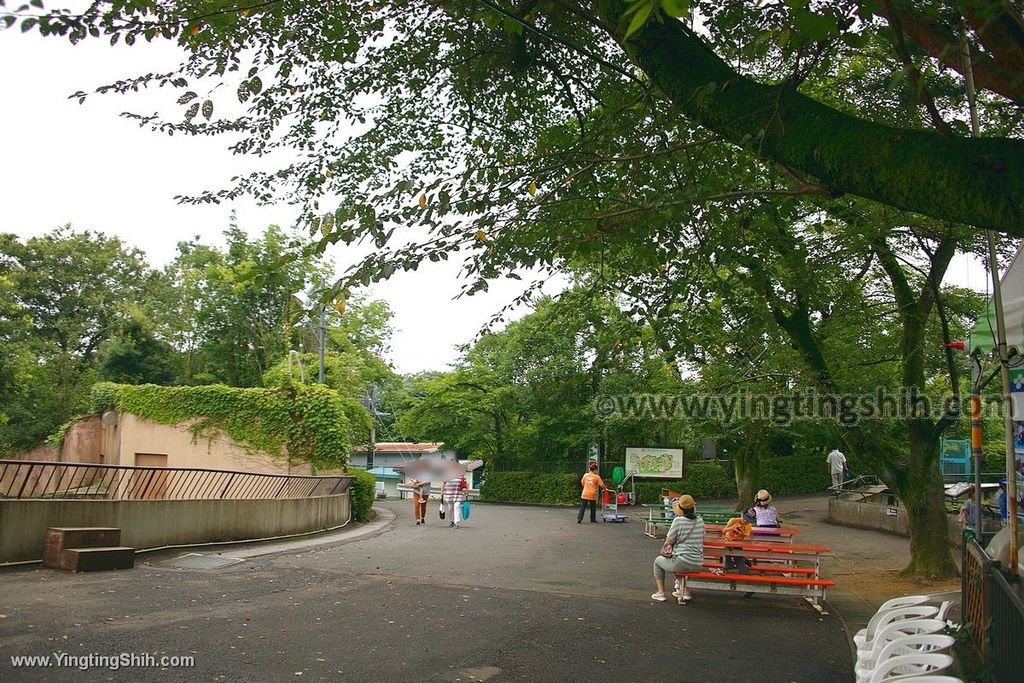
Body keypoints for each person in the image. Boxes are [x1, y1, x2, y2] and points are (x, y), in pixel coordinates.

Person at [651, 495, 705, 602]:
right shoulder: (700, 521)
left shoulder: (678, 521)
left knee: (658, 562)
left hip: (682, 562)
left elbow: (669, 541)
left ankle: (660, 593)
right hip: (698, 563)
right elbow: (702, 536)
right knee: (676, 563)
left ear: (681, 509)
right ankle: (684, 590)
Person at [721, 507, 756, 574]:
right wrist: (732, 527)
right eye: (745, 518)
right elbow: (723, 530)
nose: (745, 521)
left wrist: (739, 534)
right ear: (741, 515)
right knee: (727, 566)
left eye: (748, 520)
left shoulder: (748, 526)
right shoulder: (733, 520)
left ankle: (741, 561)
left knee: (742, 569)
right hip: (727, 544)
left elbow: (742, 538)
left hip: (737, 545)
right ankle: (742, 559)